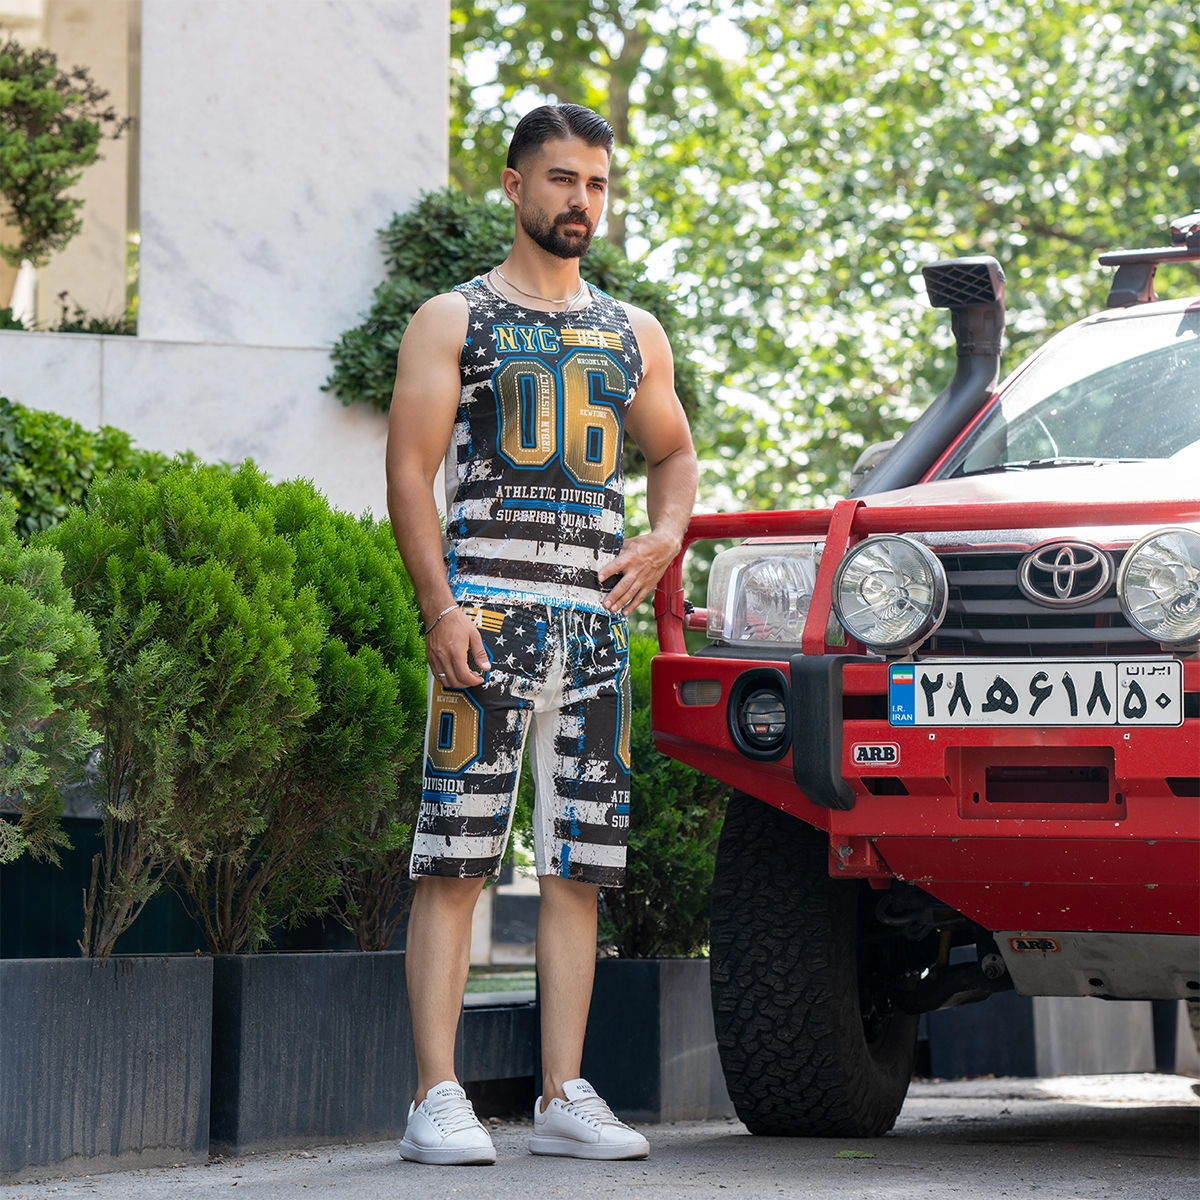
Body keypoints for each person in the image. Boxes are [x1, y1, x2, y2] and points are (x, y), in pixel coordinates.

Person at [386, 102, 697, 1166]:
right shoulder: (453, 318)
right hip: (487, 619)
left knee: (579, 868)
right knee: (456, 855)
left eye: (597, 183)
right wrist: (439, 608)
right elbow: (408, 473)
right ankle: (435, 1097)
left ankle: (563, 1094)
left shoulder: (632, 331)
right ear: (516, 187)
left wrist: (662, 537)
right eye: (563, 179)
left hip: (595, 634)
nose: (582, 201)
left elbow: (674, 453)